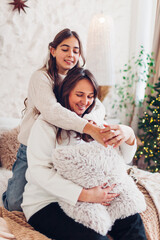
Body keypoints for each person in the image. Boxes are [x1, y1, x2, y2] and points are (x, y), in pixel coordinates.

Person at [22, 68, 147, 240]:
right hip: (47, 201)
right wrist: (85, 195)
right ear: (66, 93)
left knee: (133, 223)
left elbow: (123, 159)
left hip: (97, 198)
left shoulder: (96, 123)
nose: (85, 102)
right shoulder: (45, 126)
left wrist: (129, 134)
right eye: (79, 95)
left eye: (90, 96)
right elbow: (40, 172)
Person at [2, 28, 107, 211]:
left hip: (65, 148)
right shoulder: (41, 77)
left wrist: (91, 120)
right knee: (14, 204)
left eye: (75, 50)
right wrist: (88, 128)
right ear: (53, 50)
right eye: (65, 49)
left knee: (59, 196)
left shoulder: (78, 78)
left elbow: (99, 106)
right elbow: (52, 111)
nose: (70, 55)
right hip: (31, 148)